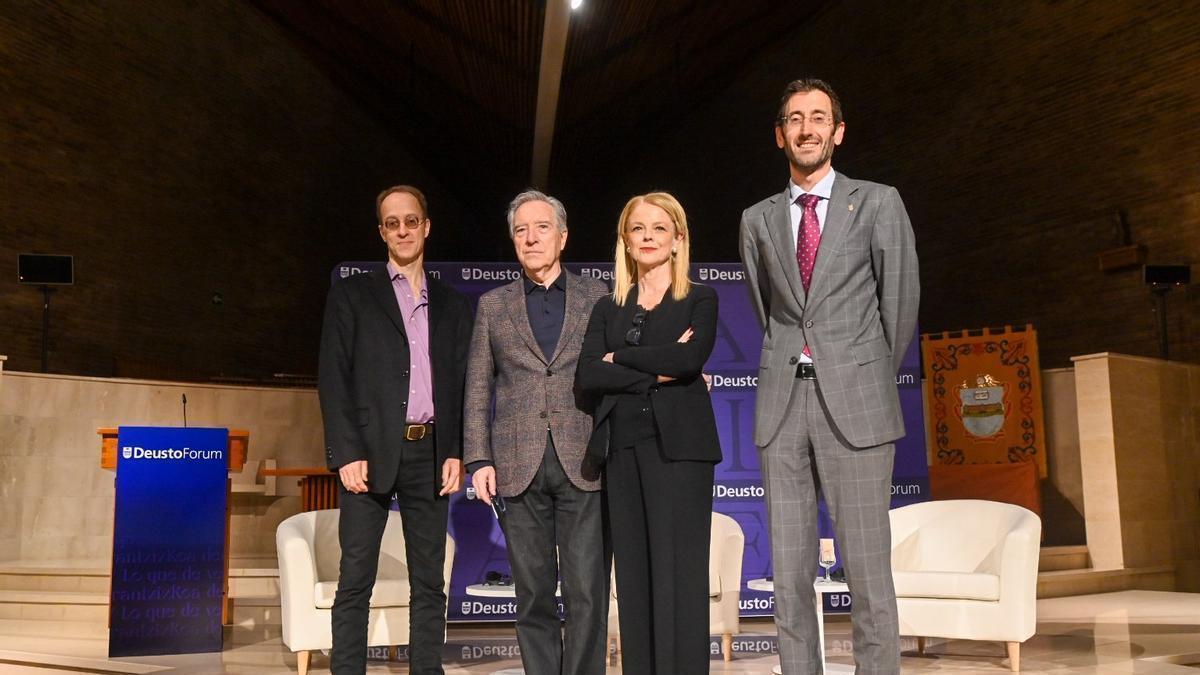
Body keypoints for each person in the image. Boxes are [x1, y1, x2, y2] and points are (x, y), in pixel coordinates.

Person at [739, 78, 920, 674]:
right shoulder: (757, 220)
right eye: (795, 118)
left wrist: (858, 370)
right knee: (787, 576)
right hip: (783, 407)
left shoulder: (878, 202)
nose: (807, 127)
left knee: (868, 574)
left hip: (857, 406)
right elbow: (769, 313)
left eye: (818, 117)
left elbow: (899, 308)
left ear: (838, 132)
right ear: (780, 135)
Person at [318, 185, 473, 675]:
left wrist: (456, 451)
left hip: (430, 455)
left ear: (426, 227)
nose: (403, 230)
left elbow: (464, 383)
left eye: (412, 221)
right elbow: (332, 375)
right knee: (356, 577)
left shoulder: (453, 305)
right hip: (367, 452)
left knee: (429, 581)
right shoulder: (352, 294)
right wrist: (345, 451)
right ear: (381, 232)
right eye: (392, 223)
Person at [463, 190, 610, 675]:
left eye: (541, 227)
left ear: (562, 237)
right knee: (532, 593)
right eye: (521, 230)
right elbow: (479, 386)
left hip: (583, 459)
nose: (531, 237)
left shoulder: (598, 296)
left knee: (588, 590)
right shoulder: (492, 305)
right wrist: (478, 459)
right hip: (516, 463)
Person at [577, 191, 721, 675]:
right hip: (622, 449)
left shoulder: (700, 297)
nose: (648, 237)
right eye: (638, 229)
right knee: (634, 579)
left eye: (660, 228)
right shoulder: (607, 307)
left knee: (678, 576)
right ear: (626, 240)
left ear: (678, 239)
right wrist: (656, 369)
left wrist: (621, 358)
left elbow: (689, 360)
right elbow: (589, 375)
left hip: (681, 453)